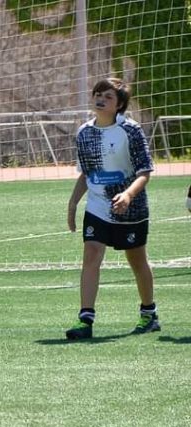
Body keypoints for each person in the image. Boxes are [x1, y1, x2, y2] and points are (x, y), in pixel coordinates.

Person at [65, 78, 159, 340]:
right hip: (97, 205)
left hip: (130, 207)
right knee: (92, 254)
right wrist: (73, 204)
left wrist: (128, 195)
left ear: (119, 104)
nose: (100, 99)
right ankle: (86, 320)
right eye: (97, 94)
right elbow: (86, 173)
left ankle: (149, 314)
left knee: (136, 259)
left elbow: (145, 172)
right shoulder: (84, 132)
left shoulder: (131, 130)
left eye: (107, 96)